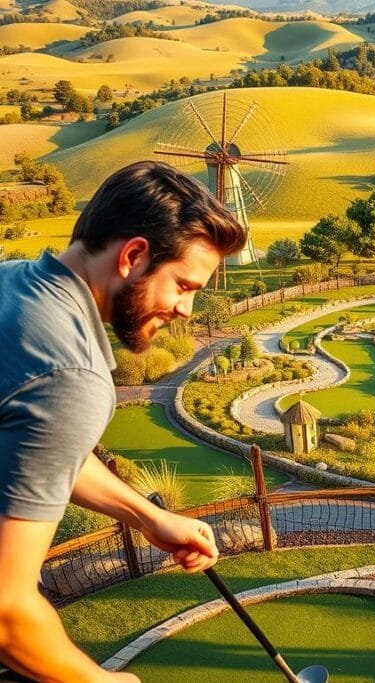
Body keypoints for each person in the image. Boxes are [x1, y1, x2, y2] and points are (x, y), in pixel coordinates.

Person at [0, 161, 248, 681]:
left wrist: (146, 515)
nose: (187, 309)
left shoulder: (14, 283)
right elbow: (5, 611)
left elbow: (39, 449)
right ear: (133, 256)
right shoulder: (71, 375)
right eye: (183, 284)